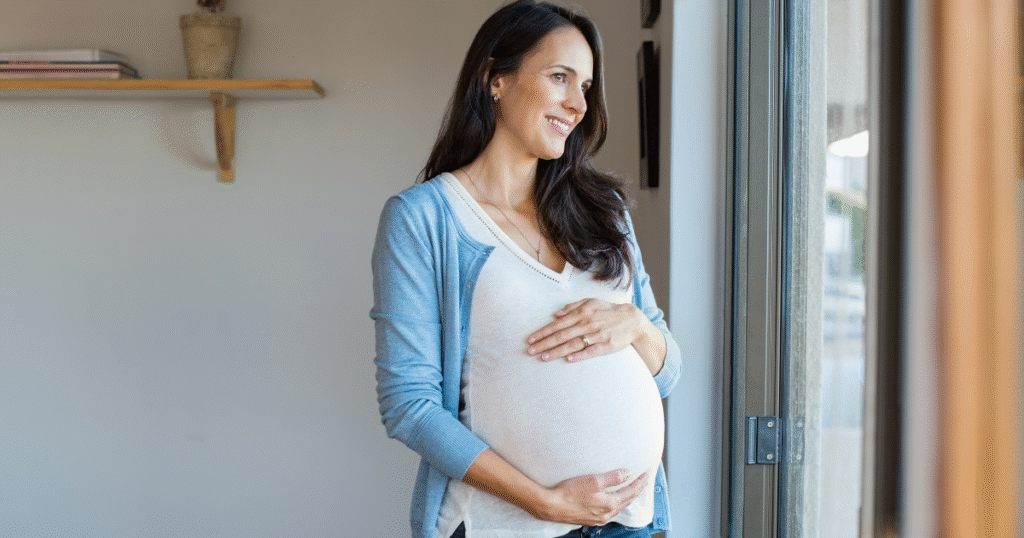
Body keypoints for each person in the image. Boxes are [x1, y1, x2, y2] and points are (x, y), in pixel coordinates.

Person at [371, 2, 682, 537]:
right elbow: (410, 405)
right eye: (559, 77)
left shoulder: (604, 211)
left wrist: (636, 327)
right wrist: (546, 503)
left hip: (630, 523)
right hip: (508, 526)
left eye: (585, 86)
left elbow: (669, 373)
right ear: (496, 80)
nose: (578, 104)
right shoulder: (424, 219)